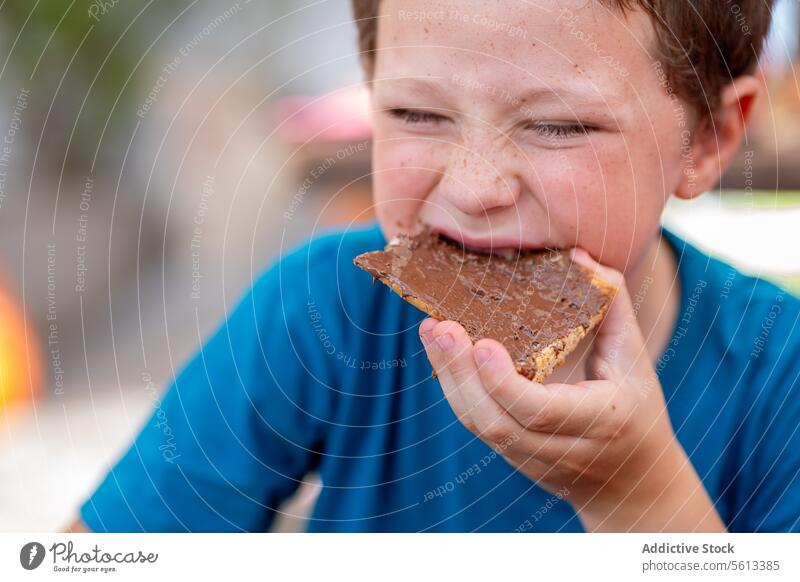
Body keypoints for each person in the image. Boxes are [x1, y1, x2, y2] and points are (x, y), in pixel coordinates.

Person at [70, 0, 799, 532]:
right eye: (417, 114)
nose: (474, 187)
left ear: (708, 138)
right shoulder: (324, 308)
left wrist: (635, 495)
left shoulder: (780, 376)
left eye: (558, 126)